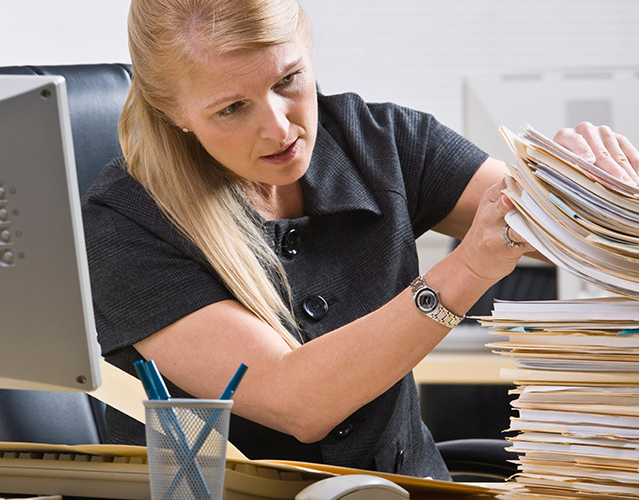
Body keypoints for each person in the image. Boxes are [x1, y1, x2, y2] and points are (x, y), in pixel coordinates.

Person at [81, 0, 639, 480]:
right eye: (232, 108)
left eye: (288, 81)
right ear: (171, 111)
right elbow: (298, 401)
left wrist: (576, 187)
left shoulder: (381, 140)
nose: (279, 128)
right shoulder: (124, 223)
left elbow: (556, 224)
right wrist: (469, 267)